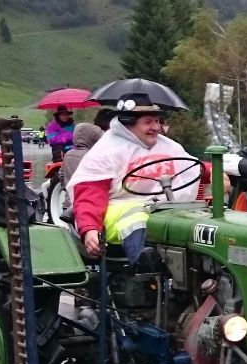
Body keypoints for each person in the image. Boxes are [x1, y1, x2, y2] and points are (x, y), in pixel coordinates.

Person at [68, 88, 205, 261]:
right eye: (148, 122)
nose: (155, 127)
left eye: (157, 121)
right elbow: (89, 194)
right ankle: (143, 265)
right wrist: (89, 229)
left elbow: (192, 167)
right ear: (128, 123)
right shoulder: (106, 152)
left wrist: (219, 172)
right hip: (119, 213)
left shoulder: (168, 146)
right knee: (137, 216)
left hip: (164, 210)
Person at [61, 122, 104, 186]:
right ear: (92, 137)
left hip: (71, 194)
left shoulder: (68, 154)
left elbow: (61, 175)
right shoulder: (92, 156)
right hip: (88, 194)